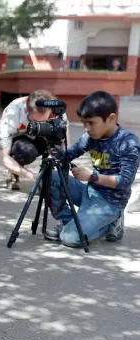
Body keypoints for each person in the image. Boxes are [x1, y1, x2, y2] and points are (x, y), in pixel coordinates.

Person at [44, 91, 140, 247]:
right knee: (49, 177)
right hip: (89, 193)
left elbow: (124, 181)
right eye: (84, 123)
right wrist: (53, 148)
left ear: (111, 118)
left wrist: (91, 177)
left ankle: (112, 223)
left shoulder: (128, 143)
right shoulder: (90, 136)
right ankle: (70, 222)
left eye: (91, 123)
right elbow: (72, 152)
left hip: (110, 203)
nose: (86, 128)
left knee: (69, 238)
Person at [0, 89, 70, 190]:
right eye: (35, 121)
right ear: (27, 110)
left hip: (43, 140)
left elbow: (64, 141)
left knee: (57, 147)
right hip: (20, 139)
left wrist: (64, 162)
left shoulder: (57, 109)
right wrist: (33, 176)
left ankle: (47, 177)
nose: (39, 125)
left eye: (43, 121)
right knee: (26, 152)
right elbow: (3, 158)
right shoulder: (14, 112)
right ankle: (14, 171)